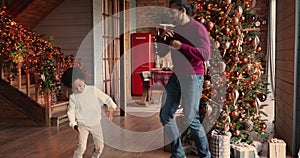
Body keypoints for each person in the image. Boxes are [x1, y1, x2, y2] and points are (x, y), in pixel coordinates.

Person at [157, 0, 211, 157]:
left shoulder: (198, 28)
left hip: (193, 76)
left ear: (182, 11)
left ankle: (205, 155)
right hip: (176, 76)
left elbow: (205, 54)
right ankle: (178, 154)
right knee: (165, 114)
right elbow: (161, 53)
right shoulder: (174, 30)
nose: (170, 15)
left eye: (172, 12)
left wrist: (181, 46)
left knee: (190, 117)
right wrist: (162, 38)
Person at [61, 67, 117, 158]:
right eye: (75, 87)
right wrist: (74, 124)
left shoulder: (93, 90)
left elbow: (107, 98)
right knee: (81, 147)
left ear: (83, 80)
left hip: (95, 123)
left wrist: (111, 108)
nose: (79, 89)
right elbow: (71, 112)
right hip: (82, 124)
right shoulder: (73, 97)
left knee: (100, 146)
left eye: (80, 85)